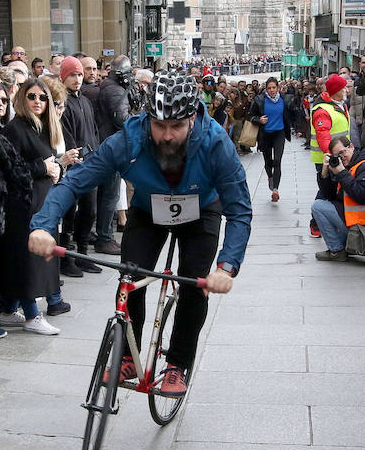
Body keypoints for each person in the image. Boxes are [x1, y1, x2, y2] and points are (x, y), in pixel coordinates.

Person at [29, 73, 251, 396]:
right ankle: (127, 356)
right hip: (149, 210)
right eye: (159, 125)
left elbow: (240, 211)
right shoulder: (128, 140)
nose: (167, 135)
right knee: (130, 278)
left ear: (193, 118)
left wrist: (226, 266)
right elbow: (75, 180)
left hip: (201, 210)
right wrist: (43, 225)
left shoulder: (216, 143)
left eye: (177, 126)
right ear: (147, 118)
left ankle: (177, 363)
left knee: (195, 285)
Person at [0, 78, 63, 336]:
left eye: (42, 97)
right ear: (22, 99)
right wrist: (43, 168)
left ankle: (8, 308)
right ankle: (32, 314)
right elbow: (10, 168)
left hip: (41, 203)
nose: (37, 101)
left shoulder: (43, 127)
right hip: (22, 205)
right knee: (27, 260)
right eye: (31, 96)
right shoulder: (16, 128)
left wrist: (56, 169)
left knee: (29, 259)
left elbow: (47, 161)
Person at [56, 56, 102, 275]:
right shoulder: (63, 104)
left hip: (90, 166)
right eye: (72, 75)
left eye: (79, 74)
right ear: (64, 77)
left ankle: (83, 254)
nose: (77, 79)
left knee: (89, 211)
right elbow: (67, 137)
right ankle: (66, 259)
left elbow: (93, 131)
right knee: (68, 214)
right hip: (74, 167)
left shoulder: (84, 101)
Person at [310, 134, 365, 263]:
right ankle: (347, 245)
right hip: (360, 220)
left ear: (351, 146)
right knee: (324, 204)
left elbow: (362, 196)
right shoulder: (348, 165)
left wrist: (342, 173)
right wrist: (325, 173)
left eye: (342, 152)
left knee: (318, 207)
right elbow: (329, 196)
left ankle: (337, 250)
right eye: (337, 156)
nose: (341, 158)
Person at [92, 56, 139, 253]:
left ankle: (103, 235)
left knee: (109, 194)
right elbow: (122, 119)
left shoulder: (110, 87)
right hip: (112, 146)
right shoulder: (114, 90)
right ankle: (104, 237)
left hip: (109, 144)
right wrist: (138, 119)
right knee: (110, 194)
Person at [251, 77, 292, 202]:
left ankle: (275, 190)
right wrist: (259, 120)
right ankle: (270, 176)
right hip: (265, 135)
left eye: (274, 87)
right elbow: (250, 116)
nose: (272, 90)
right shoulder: (259, 100)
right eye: (269, 88)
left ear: (278, 88)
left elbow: (291, 114)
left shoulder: (284, 99)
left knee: (277, 161)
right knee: (268, 162)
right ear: (266, 89)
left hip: (279, 133)